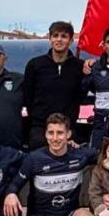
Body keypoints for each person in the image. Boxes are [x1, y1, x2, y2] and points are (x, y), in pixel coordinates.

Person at [4, 113, 101, 216]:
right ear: (45, 134)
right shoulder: (34, 159)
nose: (55, 138)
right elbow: (15, 184)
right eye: (51, 133)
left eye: (60, 133)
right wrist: (10, 194)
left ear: (68, 134)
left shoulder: (80, 154)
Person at [22, 21, 85, 150]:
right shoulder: (35, 65)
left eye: (64, 36)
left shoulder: (80, 66)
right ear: (50, 39)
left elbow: (81, 94)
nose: (59, 39)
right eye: (55, 36)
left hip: (68, 130)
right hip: (40, 130)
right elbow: (28, 97)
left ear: (71, 40)